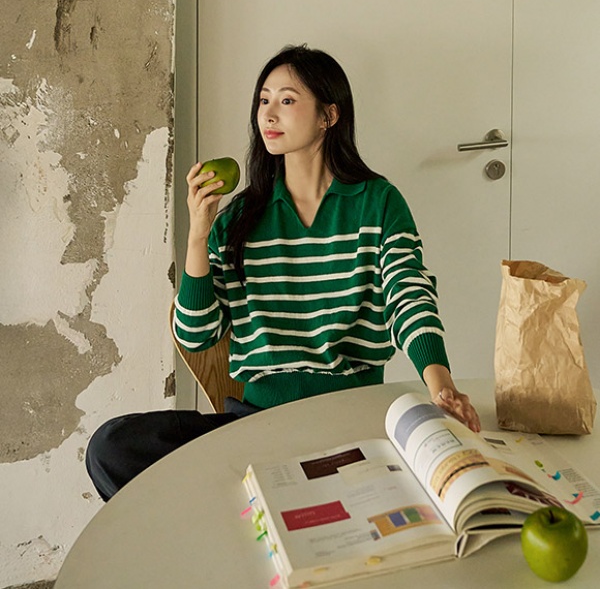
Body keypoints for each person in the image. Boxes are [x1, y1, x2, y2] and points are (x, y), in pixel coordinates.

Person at [86, 44, 480, 501]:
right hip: (258, 424)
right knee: (112, 447)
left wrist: (441, 385)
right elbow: (196, 335)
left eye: (287, 100)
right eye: (263, 100)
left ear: (328, 115)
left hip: (350, 418)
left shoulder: (377, 202)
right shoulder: (238, 219)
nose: (268, 114)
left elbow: (408, 294)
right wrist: (198, 233)